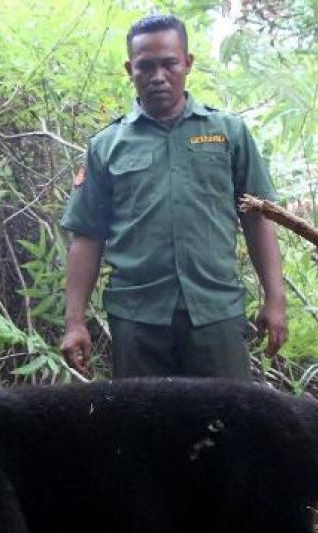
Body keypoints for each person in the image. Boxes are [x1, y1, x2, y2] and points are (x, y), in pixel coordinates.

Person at [58, 14, 287, 380]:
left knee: (227, 427)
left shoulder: (229, 133)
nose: (158, 76)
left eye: (169, 63)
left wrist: (275, 300)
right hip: (137, 318)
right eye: (145, 66)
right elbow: (86, 236)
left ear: (188, 63)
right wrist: (75, 322)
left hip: (216, 313)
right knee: (145, 430)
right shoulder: (106, 146)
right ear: (129, 69)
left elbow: (258, 219)